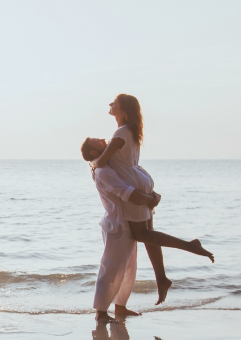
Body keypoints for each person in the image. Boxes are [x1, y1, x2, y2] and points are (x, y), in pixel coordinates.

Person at [87, 94, 214, 305]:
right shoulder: (131, 131)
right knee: (149, 235)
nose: (110, 105)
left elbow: (101, 161)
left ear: (124, 110)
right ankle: (161, 278)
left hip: (133, 183)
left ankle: (190, 246)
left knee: (142, 234)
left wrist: (91, 164)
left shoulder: (120, 133)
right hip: (141, 179)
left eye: (114, 103)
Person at [84, 138, 161, 322]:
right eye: (99, 142)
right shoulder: (104, 172)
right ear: (94, 152)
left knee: (129, 269)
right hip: (116, 226)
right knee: (110, 269)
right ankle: (101, 313)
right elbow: (129, 194)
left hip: (127, 222)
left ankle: (120, 307)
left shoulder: (110, 166)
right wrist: (150, 199)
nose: (105, 139)